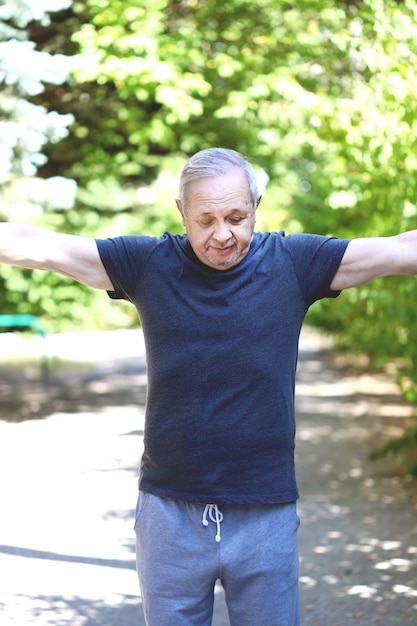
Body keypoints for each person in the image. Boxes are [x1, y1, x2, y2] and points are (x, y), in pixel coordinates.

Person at [1, 147, 417, 626]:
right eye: (206, 220)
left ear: (257, 204)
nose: (223, 234)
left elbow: (401, 249)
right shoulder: (147, 263)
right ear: (182, 212)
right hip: (169, 516)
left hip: (265, 513)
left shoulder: (294, 262)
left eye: (238, 217)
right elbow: (42, 246)